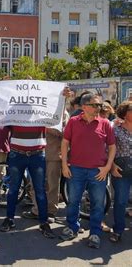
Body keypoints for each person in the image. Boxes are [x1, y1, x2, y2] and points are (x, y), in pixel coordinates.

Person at [60, 94, 116, 249]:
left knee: (98, 204)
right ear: (84, 107)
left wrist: (107, 167)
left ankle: (95, 233)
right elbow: (65, 144)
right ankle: (72, 227)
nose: (99, 108)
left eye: (99, 105)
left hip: (98, 171)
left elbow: (112, 147)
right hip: (76, 169)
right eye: (95, 105)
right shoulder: (73, 122)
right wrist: (65, 165)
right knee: (73, 201)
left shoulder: (105, 123)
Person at [22, 111, 69, 223]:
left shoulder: (62, 112)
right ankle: (37, 210)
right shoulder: (37, 110)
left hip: (53, 154)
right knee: (35, 184)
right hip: (35, 153)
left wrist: (46, 128)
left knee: (52, 185)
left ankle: (51, 211)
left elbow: (65, 133)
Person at [109, 101, 132, 242]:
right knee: (120, 201)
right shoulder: (116, 129)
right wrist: (111, 166)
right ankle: (118, 230)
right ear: (125, 113)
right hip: (121, 169)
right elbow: (108, 149)